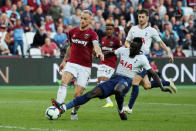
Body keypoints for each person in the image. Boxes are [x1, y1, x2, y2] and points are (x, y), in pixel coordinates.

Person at [51, 37, 172, 120]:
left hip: (127, 80)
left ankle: (120, 110)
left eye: (133, 48)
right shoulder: (124, 50)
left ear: (138, 48)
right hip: (114, 78)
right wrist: (99, 55)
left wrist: (161, 87)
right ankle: (63, 108)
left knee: (118, 89)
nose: (130, 49)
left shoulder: (142, 59)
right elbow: (111, 53)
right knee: (91, 93)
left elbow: (154, 74)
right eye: (130, 46)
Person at [51, 10, 104, 120]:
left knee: (77, 95)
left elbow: (96, 45)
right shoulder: (72, 32)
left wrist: (99, 52)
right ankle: (59, 106)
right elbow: (70, 47)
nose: (82, 20)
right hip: (72, 63)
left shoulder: (92, 34)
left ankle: (74, 112)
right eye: (81, 18)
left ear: (90, 20)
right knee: (64, 81)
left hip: (85, 67)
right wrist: (64, 60)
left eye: (85, 19)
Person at [123, 9, 177, 114]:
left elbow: (161, 43)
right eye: (139, 17)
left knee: (135, 82)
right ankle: (168, 82)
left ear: (147, 18)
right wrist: (130, 48)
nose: (141, 19)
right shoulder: (133, 29)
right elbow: (126, 42)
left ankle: (129, 107)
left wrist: (168, 53)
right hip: (134, 58)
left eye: (143, 17)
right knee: (147, 85)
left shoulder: (152, 30)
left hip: (144, 59)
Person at [97, 21, 122, 108]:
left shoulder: (116, 40)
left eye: (110, 29)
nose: (109, 31)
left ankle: (109, 102)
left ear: (113, 30)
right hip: (102, 63)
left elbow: (121, 51)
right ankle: (113, 94)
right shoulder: (103, 39)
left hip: (111, 64)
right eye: (107, 29)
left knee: (104, 81)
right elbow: (100, 50)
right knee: (99, 83)